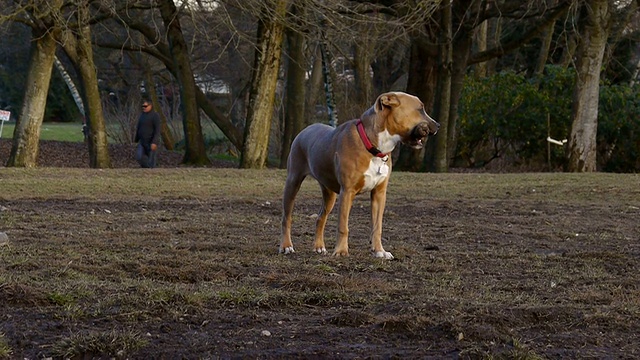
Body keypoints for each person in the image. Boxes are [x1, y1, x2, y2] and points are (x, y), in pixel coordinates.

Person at [134, 100, 161, 168]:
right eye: (143, 106)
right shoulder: (142, 116)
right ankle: (145, 167)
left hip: (151, 141)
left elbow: (157, 130)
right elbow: (139, 127)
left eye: (145, 106)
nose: (144, 108)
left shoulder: (155, 116)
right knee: (139, 156)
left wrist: (154, 142)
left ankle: (151, 170)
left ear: (150, 106)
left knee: (151, 159)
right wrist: (136, 139)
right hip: (142, 141)